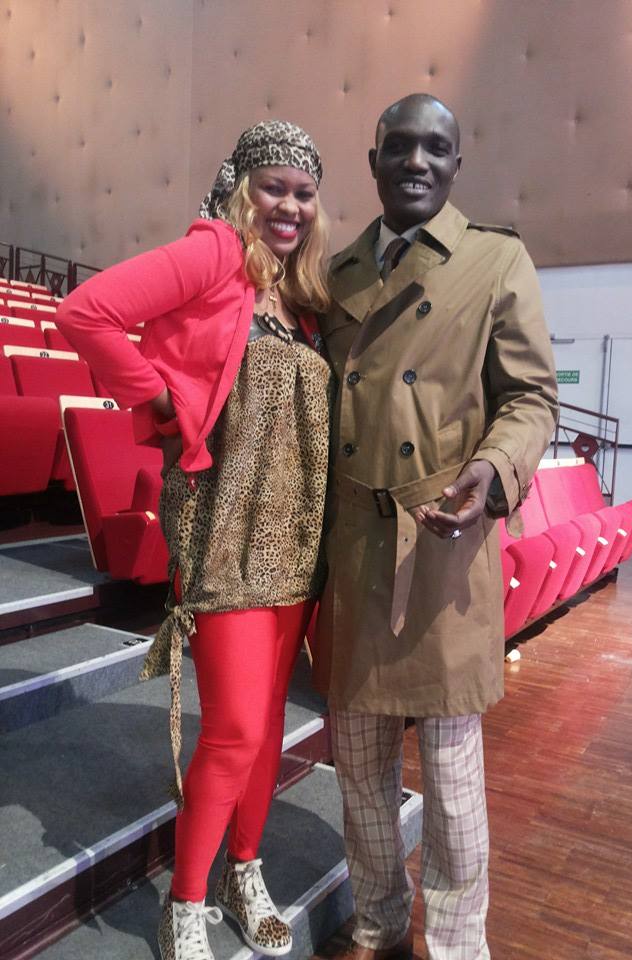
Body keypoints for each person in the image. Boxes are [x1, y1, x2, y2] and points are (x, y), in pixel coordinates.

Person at [56, 121, 332, 960]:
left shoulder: (306, 297)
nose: (289, 205)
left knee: (267, 724)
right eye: (274, 187)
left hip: (298, 537)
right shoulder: (215, 254)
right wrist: (159, 403)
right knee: (235, 729)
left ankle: (245, 870)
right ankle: (184, 904)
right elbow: (86, 312)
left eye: (304, 192)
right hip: (223, 530)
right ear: (242, 188)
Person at [312, 94, 558, 960]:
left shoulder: (496, 260)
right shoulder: (338, 274)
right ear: (374, 161)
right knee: (360, 770)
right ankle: (381, 918)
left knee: (452, 781)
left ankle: (456, 943)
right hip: (354, 549)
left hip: (445, 545)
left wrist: (494, 472)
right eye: (400, 147)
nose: (416, 162)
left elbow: (532, 399)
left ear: (457, 165)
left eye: (435, 148)